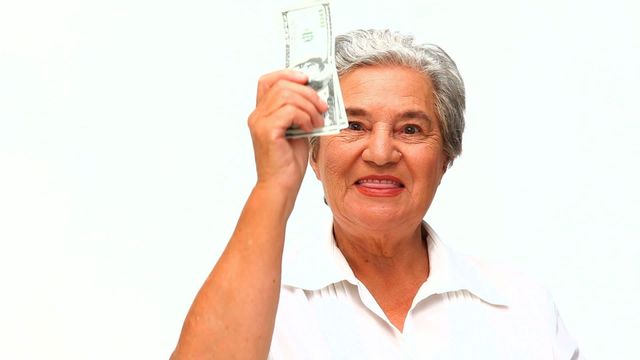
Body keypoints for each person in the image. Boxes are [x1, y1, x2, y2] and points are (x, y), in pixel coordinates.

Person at [172, 29, 581, 359]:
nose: (382, 153)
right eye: (353, 125)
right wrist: (274, 185)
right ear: (314, 154)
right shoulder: (256, 301)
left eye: (410, 129)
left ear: (447, 156)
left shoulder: (521, 305)